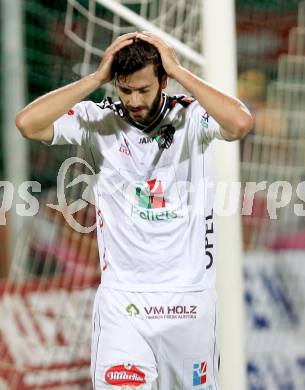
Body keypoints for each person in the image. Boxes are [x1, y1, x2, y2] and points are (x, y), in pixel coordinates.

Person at [16, 32, 253, 390]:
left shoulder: (191, 117)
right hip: (123, 305)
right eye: (126, 90)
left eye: (144, 89)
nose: (134, 100)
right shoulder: (96, 120)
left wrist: (180, 70)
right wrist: (96, 79)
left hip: (188, 302)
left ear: (163, 81)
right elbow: (27, 123)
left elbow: (240, 123)